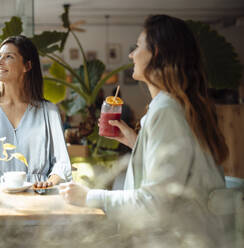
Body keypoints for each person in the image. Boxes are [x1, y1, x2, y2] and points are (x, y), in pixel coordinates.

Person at [59, 15, 229, 247]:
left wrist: (88, 196)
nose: (131, 54)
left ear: (156, 53)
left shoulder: (166, 111)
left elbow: (153, 203)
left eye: (138, 46)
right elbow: (180, 162)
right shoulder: (173, 106)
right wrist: (136, 141)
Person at [0, 35, 72, 188]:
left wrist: (49, 183)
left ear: (27, 66)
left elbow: (62, 164)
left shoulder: (49, 112)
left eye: (9, 56)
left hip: (38, 198)